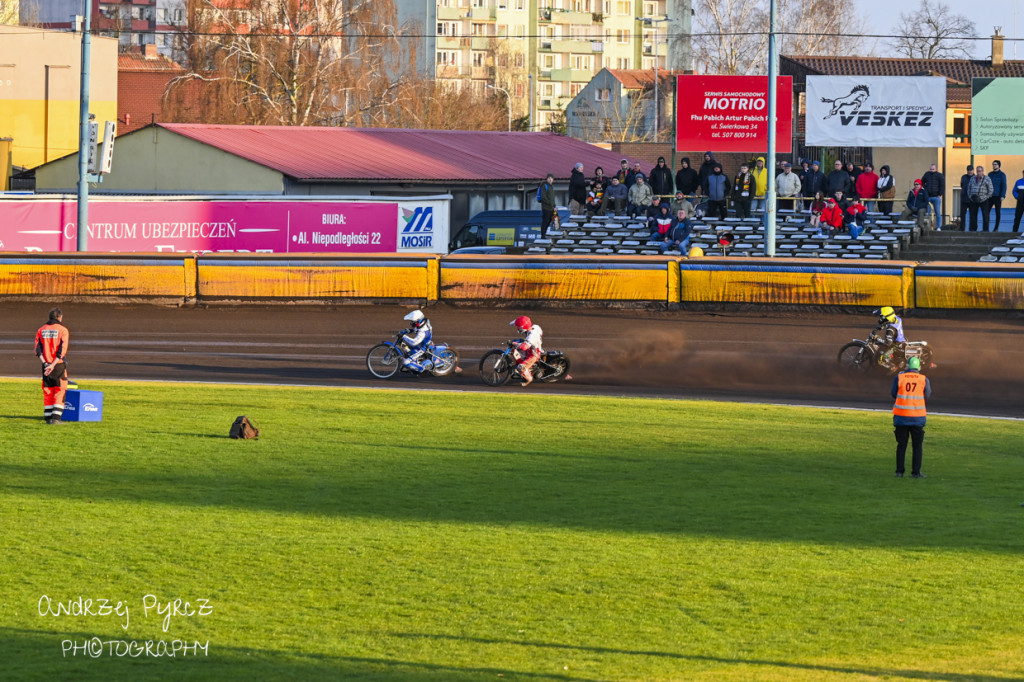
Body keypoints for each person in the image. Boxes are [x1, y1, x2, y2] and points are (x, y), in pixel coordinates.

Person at [891, 356, 931, 479]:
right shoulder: (924, 379)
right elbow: (927, 395)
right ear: (918, 367)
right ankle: (916, 472)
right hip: (917, 418)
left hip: (901, 417)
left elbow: (893, 393)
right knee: (917, 446)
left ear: (907, 366)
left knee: (901, 445)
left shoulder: (899, 377)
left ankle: (899, 472)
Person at [35, 307, 70, 424]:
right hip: (58, 365)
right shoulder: (63, 330)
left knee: (48, 390)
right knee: (60, 389)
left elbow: (37, 350)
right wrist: (53, 364)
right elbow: (62, 350)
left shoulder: (41, 330)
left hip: (45, 365)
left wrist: (46, 364)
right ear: (60, 317)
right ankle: (56, 418)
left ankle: (48, 417)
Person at [511, 315, 543, 387]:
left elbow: (524, 347)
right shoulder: (535, 327)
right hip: (532, 348)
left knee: (520, 367)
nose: (517, 328)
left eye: (518, 327)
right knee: (515, 351)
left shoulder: (531, 336)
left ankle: (529, 379)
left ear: (523, 327)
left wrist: (516, 344)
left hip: (534, 354)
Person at [966, 166, 994, 232]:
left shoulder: (987, 179)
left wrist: (984, 198)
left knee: (985, 215)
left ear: (983, 171)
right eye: (978, 171)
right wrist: (970, 196)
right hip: (974, 199)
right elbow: (969, 188)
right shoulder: (973, 178)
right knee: (973, 215)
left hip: (984, 200)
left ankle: (985, 229)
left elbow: (991, 190)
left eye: (980, 171)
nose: (979, 172)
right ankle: (973, 228)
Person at [921, 163, 945, 228]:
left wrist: (940, 194)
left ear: (936, 169)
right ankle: (927, 227)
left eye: (933, 169)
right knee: (927, 213)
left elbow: (942, 186)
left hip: (936, 197)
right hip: (928, 197)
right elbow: (922, 182)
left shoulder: (940, 175)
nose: (932, 170)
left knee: (937, 213)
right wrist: (924, 189)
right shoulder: (927, 174)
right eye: (931, 169)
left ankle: (938, 227)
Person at [988, 159, 1007, 231]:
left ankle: (996, 228)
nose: (994, 165)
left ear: (999, 165)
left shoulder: (1002, 175)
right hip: (990, 196)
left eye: (995, 164)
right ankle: (986, 227)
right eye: (993, 164)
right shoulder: (990, 174)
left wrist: (1003, 195)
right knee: (986, 212)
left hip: (998, 196)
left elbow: (1004, 185)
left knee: (997, 213)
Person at [959, 164, 974, 229]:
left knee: (972, 215)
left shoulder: (976, 178)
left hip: (972, 199)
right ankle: (962, 228)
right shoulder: (963, 177)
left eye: (971, 170)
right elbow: (962, 185)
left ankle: (972, 228)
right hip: (964, 198)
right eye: (968, 170)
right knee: (962, 214)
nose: (969, 171)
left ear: (973, 170)